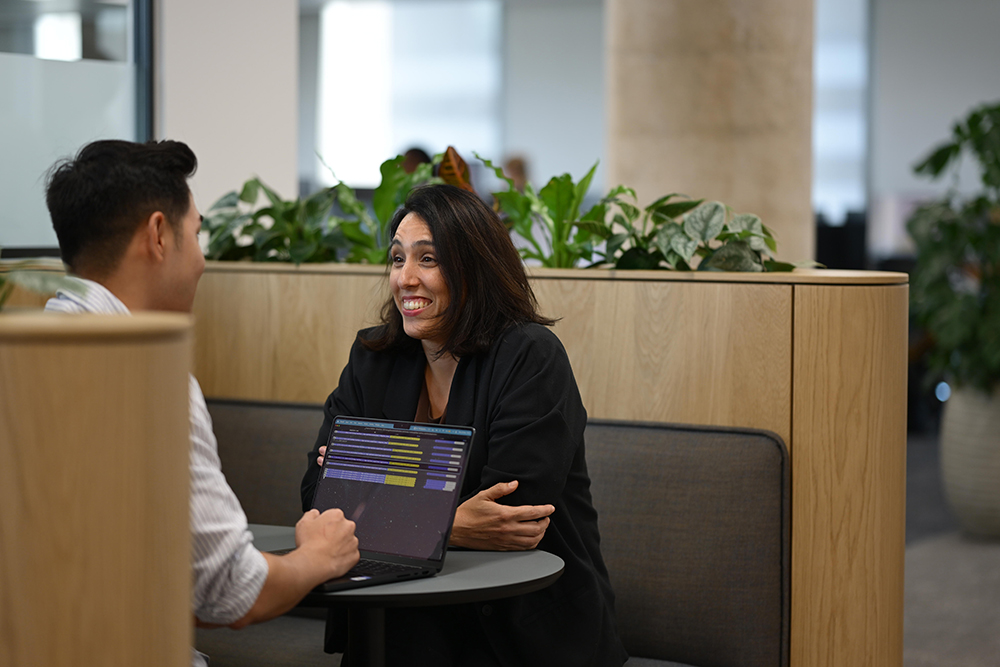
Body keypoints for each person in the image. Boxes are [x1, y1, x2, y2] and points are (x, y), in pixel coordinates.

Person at [43, 139, 360, 667]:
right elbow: (234, 592)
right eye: (197, 234)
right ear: (159, 235)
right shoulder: (144, 374)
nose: (202, 258)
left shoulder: (29, 350)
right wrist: (319, 556)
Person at [300, 184, 628, 667]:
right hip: (398, 623)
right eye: (397, 259)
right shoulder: (374, 360)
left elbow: (513, 514)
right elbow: (317, 497)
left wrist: (371, 497)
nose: (405, 278)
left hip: (521, 631)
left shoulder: (529, 356)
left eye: (427, 259)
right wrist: (450, 523)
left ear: (472, 269)